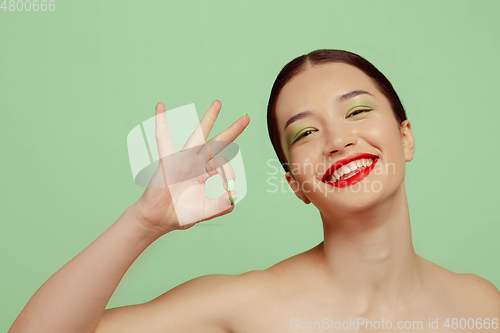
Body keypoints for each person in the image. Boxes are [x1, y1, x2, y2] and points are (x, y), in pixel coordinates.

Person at [9, 49, 500, 333]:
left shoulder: (481, 306)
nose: (337, 141)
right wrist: (144, 221)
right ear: (294, 183)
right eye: (306, 133)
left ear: (405, 136)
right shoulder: (248, 306)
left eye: (356, 111)